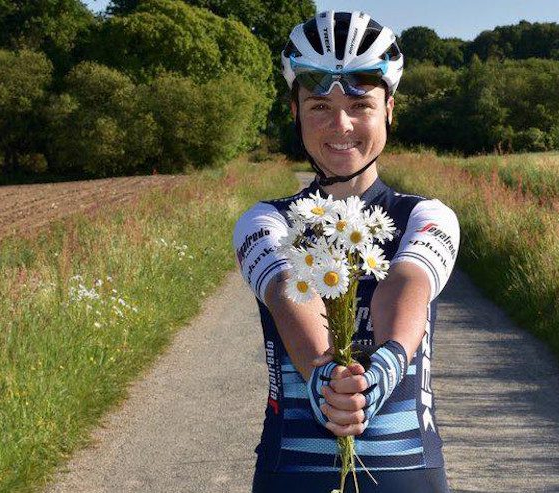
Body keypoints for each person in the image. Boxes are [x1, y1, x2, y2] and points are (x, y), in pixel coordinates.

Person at [232, 10, 460, 493]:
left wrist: (385, 366)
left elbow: (404, 287)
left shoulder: (428, 215)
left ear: (390, 109)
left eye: (360, 104)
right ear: (295, 112)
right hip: (294, 473)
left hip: (407, 472)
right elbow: (287, 291)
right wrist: (321, 376)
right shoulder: (265, 221)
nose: (341, 124)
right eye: (319, 106)